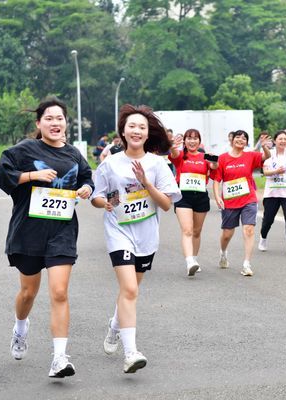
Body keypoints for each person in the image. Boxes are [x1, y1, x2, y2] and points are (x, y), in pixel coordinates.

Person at [0, 97, 93, 378]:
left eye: (59, 118)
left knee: (60, 292)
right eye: (48, 118)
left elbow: (87, 177)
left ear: (66, 123)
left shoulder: (73, 154)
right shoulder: (26, 150)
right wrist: (31, 175)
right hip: (29, 232)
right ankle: (20, 328)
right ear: (39, 123)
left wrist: (86, 188)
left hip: (62, 232)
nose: (55, 123)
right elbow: (2, 174)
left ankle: (59, 358)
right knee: (28, 292)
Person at [91, 104, 180, 373]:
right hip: (118, 232)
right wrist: (101, 203)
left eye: (142, 126)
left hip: (146, 236)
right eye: (132, 126)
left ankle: (114, 326)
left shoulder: (157, 164)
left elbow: (166, 204)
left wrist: (146, 183)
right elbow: (98, 194)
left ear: (147, 132)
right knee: (129, 289)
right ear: (123, 132)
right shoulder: (110, 163)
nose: (137, 130)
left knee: (132, 291)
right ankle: (131, 353)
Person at [212, 130, 271, 276]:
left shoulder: (251, 155)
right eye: (238, 137)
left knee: (249, 230)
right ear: (232, 140)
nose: (241, 140)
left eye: (244, 138)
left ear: (246, 142)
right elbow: (217, 180)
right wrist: (217, 197)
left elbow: (266, 157)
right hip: (230, 201)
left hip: (248, 199)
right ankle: (223, 252)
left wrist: (264, 146)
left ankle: (246, 264)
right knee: (227, 234)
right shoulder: (223, 158)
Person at [169, 128, 217, 276]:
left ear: (199, 141)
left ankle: (195, 259)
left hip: (201, 196)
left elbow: (214, 168)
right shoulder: (181, 155)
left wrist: (214, 162)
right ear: (185, 141)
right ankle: (189, 261)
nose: (192, 141)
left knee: (197, 231)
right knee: (187, 230)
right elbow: (174, 154)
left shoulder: (205, 156)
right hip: (183, 196)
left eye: (195, 138)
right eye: (189, 138)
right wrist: (172, 145)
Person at [258, 130, 286, 257]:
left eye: (285, 139)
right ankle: (263, 237)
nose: (283, 141)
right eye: (280, 139)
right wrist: (276, 171)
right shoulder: (269, 154)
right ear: (275, 141)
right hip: (272, 192)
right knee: (268, 219)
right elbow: (265, 172)